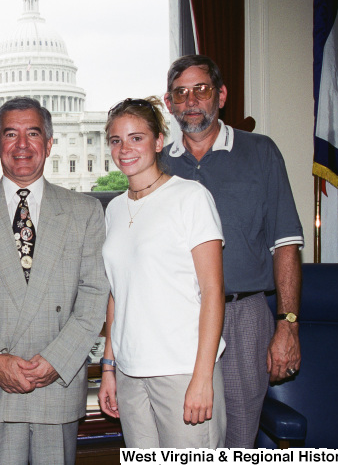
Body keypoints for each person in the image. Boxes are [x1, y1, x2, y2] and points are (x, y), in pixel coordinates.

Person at [0, 97, 111, 465]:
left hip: (57, 381)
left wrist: (57, 359)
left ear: (49, 143)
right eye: (11, 134)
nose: (22, 146)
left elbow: (95, 293)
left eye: (33, 133)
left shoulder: (85, 212)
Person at [162, 55, 303, 448]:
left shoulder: (260, 152)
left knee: (239, 438)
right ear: (169, 103)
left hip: (243, 317)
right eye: (180, 93)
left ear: (221, 95)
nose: (190, 101)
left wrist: (287, 323)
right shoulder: (157, 163)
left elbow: (286, 244)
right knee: (184, 437)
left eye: (201, 90)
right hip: (178, 320)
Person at [97, 97, 226, 448]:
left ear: (157, 142)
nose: (125, 149)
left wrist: (202, 378)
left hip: (182, 369)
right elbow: (116, 294)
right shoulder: (115, 210)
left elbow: (213, 291)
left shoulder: (190, 197)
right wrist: (108, 367)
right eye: (116, 140)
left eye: (136, 138)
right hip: (129, 371)